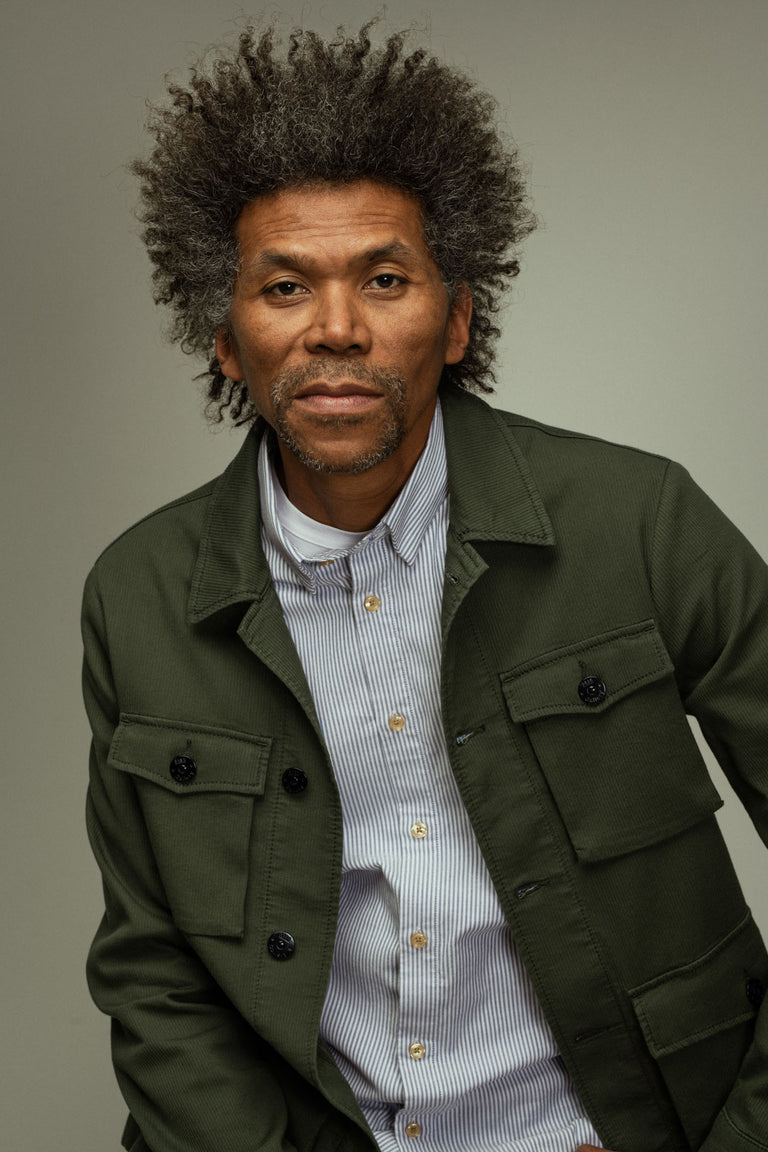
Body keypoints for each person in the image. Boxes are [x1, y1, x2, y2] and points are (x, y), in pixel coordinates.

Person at [82, 23, 768, 1152]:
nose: (336, 329)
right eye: (285, 286)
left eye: (385, 280)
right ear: (226, 340)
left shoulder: (641, 521)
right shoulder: (138, 596)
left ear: (455, 322)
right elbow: (153, 973)